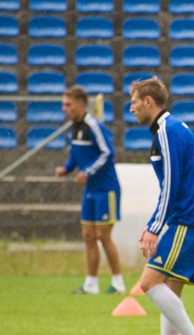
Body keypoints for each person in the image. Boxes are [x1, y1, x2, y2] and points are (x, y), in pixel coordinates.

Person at [128, 77, 194, 335]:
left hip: (187, 219)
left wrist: (154, 227)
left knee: (150, 282)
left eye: (134, 101)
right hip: (189, 218)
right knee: (170, 290)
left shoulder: (167, 130)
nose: (131, 108)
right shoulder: (171, 129)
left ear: (149, 102)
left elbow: (171, 185)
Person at [56, 85, 125, 295]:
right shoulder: (73, 127)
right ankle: (91, 283)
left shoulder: (93, 125)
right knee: (88, 235)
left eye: (67, 104)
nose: (63, 108)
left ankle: (118, 282)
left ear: (80, 104)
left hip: (107, 189)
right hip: (91, 191)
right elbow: (76, 155)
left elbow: (107, 153)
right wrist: (66, 169)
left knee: (104, 235)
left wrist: (87, 172)